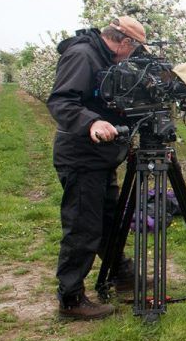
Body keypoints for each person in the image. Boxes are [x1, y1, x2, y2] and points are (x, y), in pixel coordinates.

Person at [47, 16, 148, 320]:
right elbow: (62, 102)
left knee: (108, 218)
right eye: (135, 49)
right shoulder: (82, 55)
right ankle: (71, 298)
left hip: (101, 156)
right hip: (81, 156)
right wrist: (91, 121)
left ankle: (120, 273)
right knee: (83, 225)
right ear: (125, 42)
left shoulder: (105, 58)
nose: (134, 56)